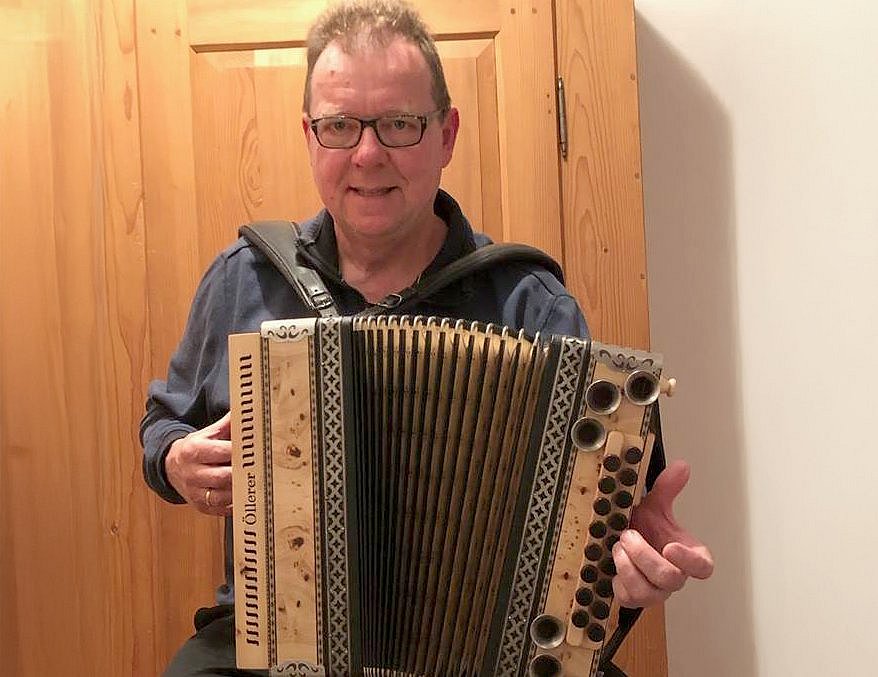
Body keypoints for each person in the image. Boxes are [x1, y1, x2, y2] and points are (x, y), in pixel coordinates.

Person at [140, 1, 714, 675]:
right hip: (277, 640)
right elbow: (165, 422)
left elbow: (605, 522)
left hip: (481, 650)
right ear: (310, 136)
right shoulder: (245, 279)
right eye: (339, 126)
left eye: (399, 124)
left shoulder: (528, 302)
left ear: (447, 135)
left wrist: (628, 553)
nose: (367, 154)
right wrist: (176, 459)